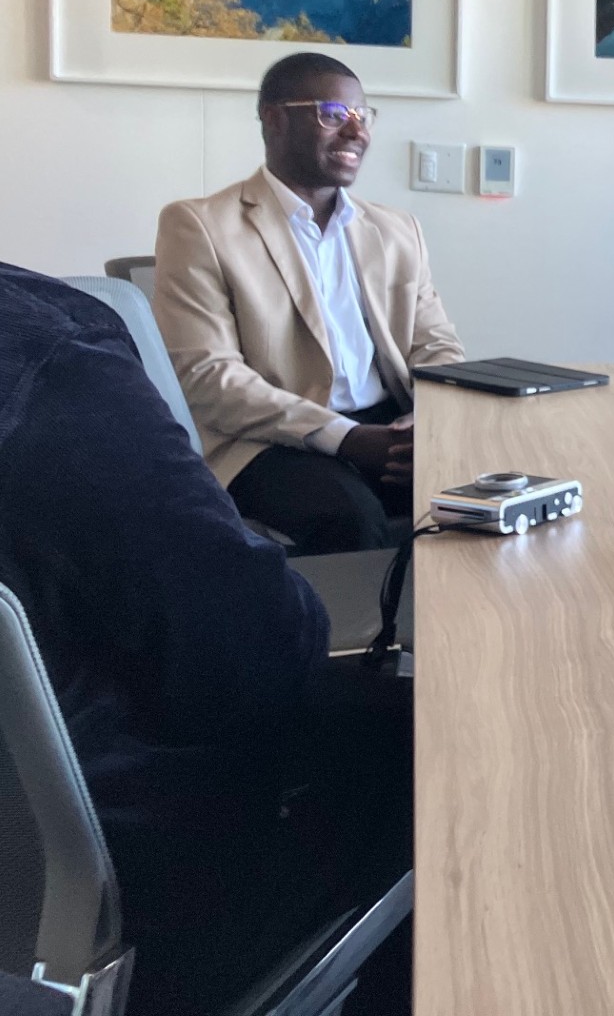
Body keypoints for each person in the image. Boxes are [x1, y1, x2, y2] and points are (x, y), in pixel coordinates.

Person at [0, 262, 410, 1015]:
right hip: (132, 899)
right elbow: (254, 656)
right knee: (438, 741)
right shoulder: (47, 364)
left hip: (26, 906)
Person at [154, 52, 465, 554]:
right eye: (334, 114)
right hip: (268, 438)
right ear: (275, 119)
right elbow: (208, 376)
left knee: (488, 491)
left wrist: (427, 418)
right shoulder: (201, 226)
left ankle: (453, 612)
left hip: (389, 423)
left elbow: (437, 346)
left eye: (363, 115)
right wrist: (343, 437)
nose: (356, 131)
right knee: (349, 517)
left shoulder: (395, 230)